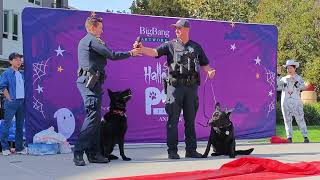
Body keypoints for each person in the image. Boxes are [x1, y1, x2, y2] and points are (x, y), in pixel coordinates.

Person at [135, 19, 215, 159]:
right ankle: (172, 151)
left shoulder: (196, 47)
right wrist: (141, 48)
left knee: (190, 121)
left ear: (187, 29)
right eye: (175, 28)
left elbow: (205, 64)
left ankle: (191, 150)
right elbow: (154, 52)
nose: (176, 30)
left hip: (191, 89)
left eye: (179, 28)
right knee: (173, 120)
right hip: (175, 88)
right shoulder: (170, 45)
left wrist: (209, 71)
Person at [74, 12, 141, 166]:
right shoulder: (91, 40)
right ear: (92, 27)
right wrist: (131, 53)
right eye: (100, 28)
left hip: (94, 83)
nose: (102, 31)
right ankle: (78, 152)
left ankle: (94, 154)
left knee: (96, 120)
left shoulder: (92, 40)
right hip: (89, 83)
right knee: (92, 118)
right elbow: (112, 55)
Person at [0, 52, 27, 156]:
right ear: (10, 61)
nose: (19, 61)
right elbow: (3, 86)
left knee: (19, 126)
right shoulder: (6, 73)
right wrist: (9, 98)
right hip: (11, 102)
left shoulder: (22, 73)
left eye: (20, 60)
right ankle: (5, 147)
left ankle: (19, 148)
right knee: (7, 125)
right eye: (16, 60)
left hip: (21, 102)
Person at [277, 59, 309, 143]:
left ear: (295, 68)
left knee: (300, 118)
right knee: (287, 119)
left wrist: (296, 82)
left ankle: (305, 136)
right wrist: (278, 75)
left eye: (291, 68)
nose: (289, 70)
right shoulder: (283, 78)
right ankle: (289, 137)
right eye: (288, 68)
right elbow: (277, 87)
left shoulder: (299, 78)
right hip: (285, 102)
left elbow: (303, 87)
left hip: (296, 102)